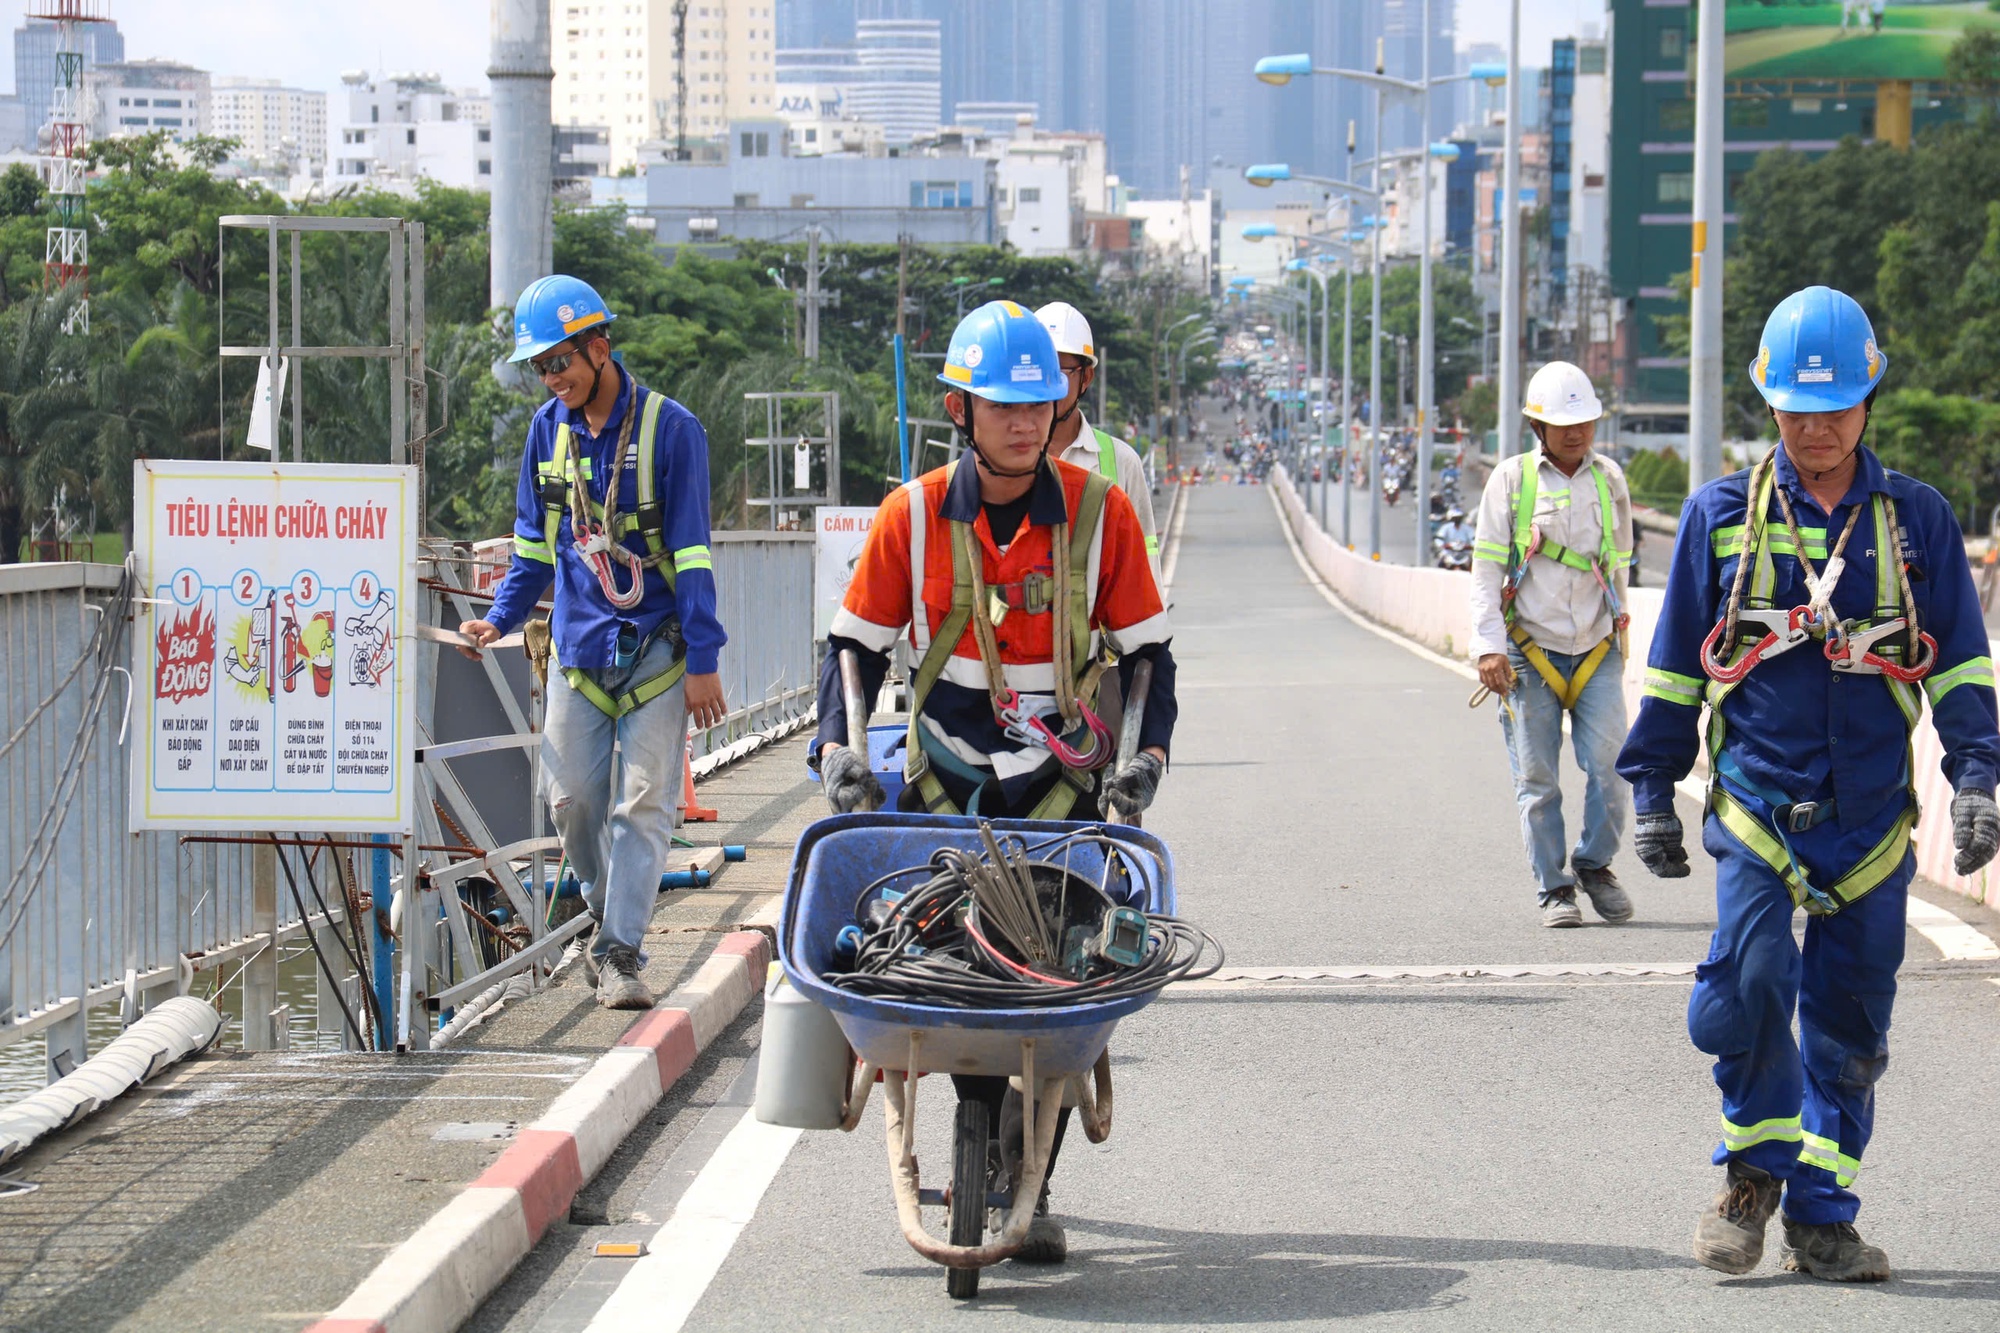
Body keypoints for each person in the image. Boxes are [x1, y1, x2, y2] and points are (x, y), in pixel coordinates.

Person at [1618, 286, 2000, 1281]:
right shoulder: (1718, 516)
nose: (1814, 429)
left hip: (1869, 817)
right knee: (1745, 986)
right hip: (1757, 801)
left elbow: (1961, 661)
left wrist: (1976, 774)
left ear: (1868, 401)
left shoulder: (1916, 522)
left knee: (1851, 1024)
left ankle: (1822, 1215)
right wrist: (1652, 786)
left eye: (1833, 410)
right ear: (1769, 405)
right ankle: (1751, 1175)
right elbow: (1675, 665)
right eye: (1795, 410)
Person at [813, 299, 1178, 1263]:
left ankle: (1032, 1171)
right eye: (1003, 405)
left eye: (1037, 404)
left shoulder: (1101, 514)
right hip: (946, 784)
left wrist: (1145, 760)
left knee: (1058, 980)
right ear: (959, 409)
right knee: (938, 963)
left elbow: (1149, 655)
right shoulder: (913, 514)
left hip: (1061, 789)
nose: (1024, 422)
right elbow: (851, 646)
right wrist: (835, 752)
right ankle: (977, 1128)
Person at [459, 275, 729, 1011]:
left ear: (599, 347)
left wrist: (704, 661)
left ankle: (618, 952)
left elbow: (694, 554)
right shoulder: (547, 434)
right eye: (541, 367)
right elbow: (532, 551)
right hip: (577, 650)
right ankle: (608, 914)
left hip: (657, 651)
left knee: (643, 807)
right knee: (570, 801)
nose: (552, 378)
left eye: (561, 362)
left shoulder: (671, 430)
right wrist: (498, 619)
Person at [1469, 360, 1636, 928]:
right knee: (1537, 782)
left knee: (1613, 768)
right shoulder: (1512, 481)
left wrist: (1622, 631)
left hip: (1596, 647)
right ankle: (1555, 889)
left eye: (1584, 422)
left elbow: (1620, 563)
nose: (1576, 433)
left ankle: (1594, 864)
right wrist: (1488, 647)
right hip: (1528, 651)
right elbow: (1486, 570)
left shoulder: (1610, 479)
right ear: (1538, 426)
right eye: (1564, 424)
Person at [1036, 302, 1161, 577]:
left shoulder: (1122, 462)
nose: (1046, 383)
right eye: (1037, 369)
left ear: (1086, 377)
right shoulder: (1002, 460)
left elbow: (1144, 561)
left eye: (1059, 372)